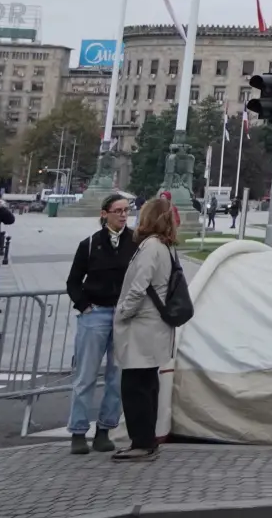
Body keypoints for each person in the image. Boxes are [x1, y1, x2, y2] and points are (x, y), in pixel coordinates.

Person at [65, 193, 136, 454]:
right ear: (104, 213)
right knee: (85, 375)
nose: (123, 215)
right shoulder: (90, 244)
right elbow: (73, 281)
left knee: (116, 377)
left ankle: (105, 429)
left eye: (126, 210)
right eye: (117, 210)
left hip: (123, 314)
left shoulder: (135, 242)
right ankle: (78, 431)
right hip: (95, 313)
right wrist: (84, 305)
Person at [113, 197, 181, 461]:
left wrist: (122, 313)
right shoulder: (167, 247)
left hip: (142, 326)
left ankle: (141, 441)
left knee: (135, 387)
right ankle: (147, 439)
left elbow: (138, 287)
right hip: (155, 326)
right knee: (148, 384)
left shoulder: (151, 247)